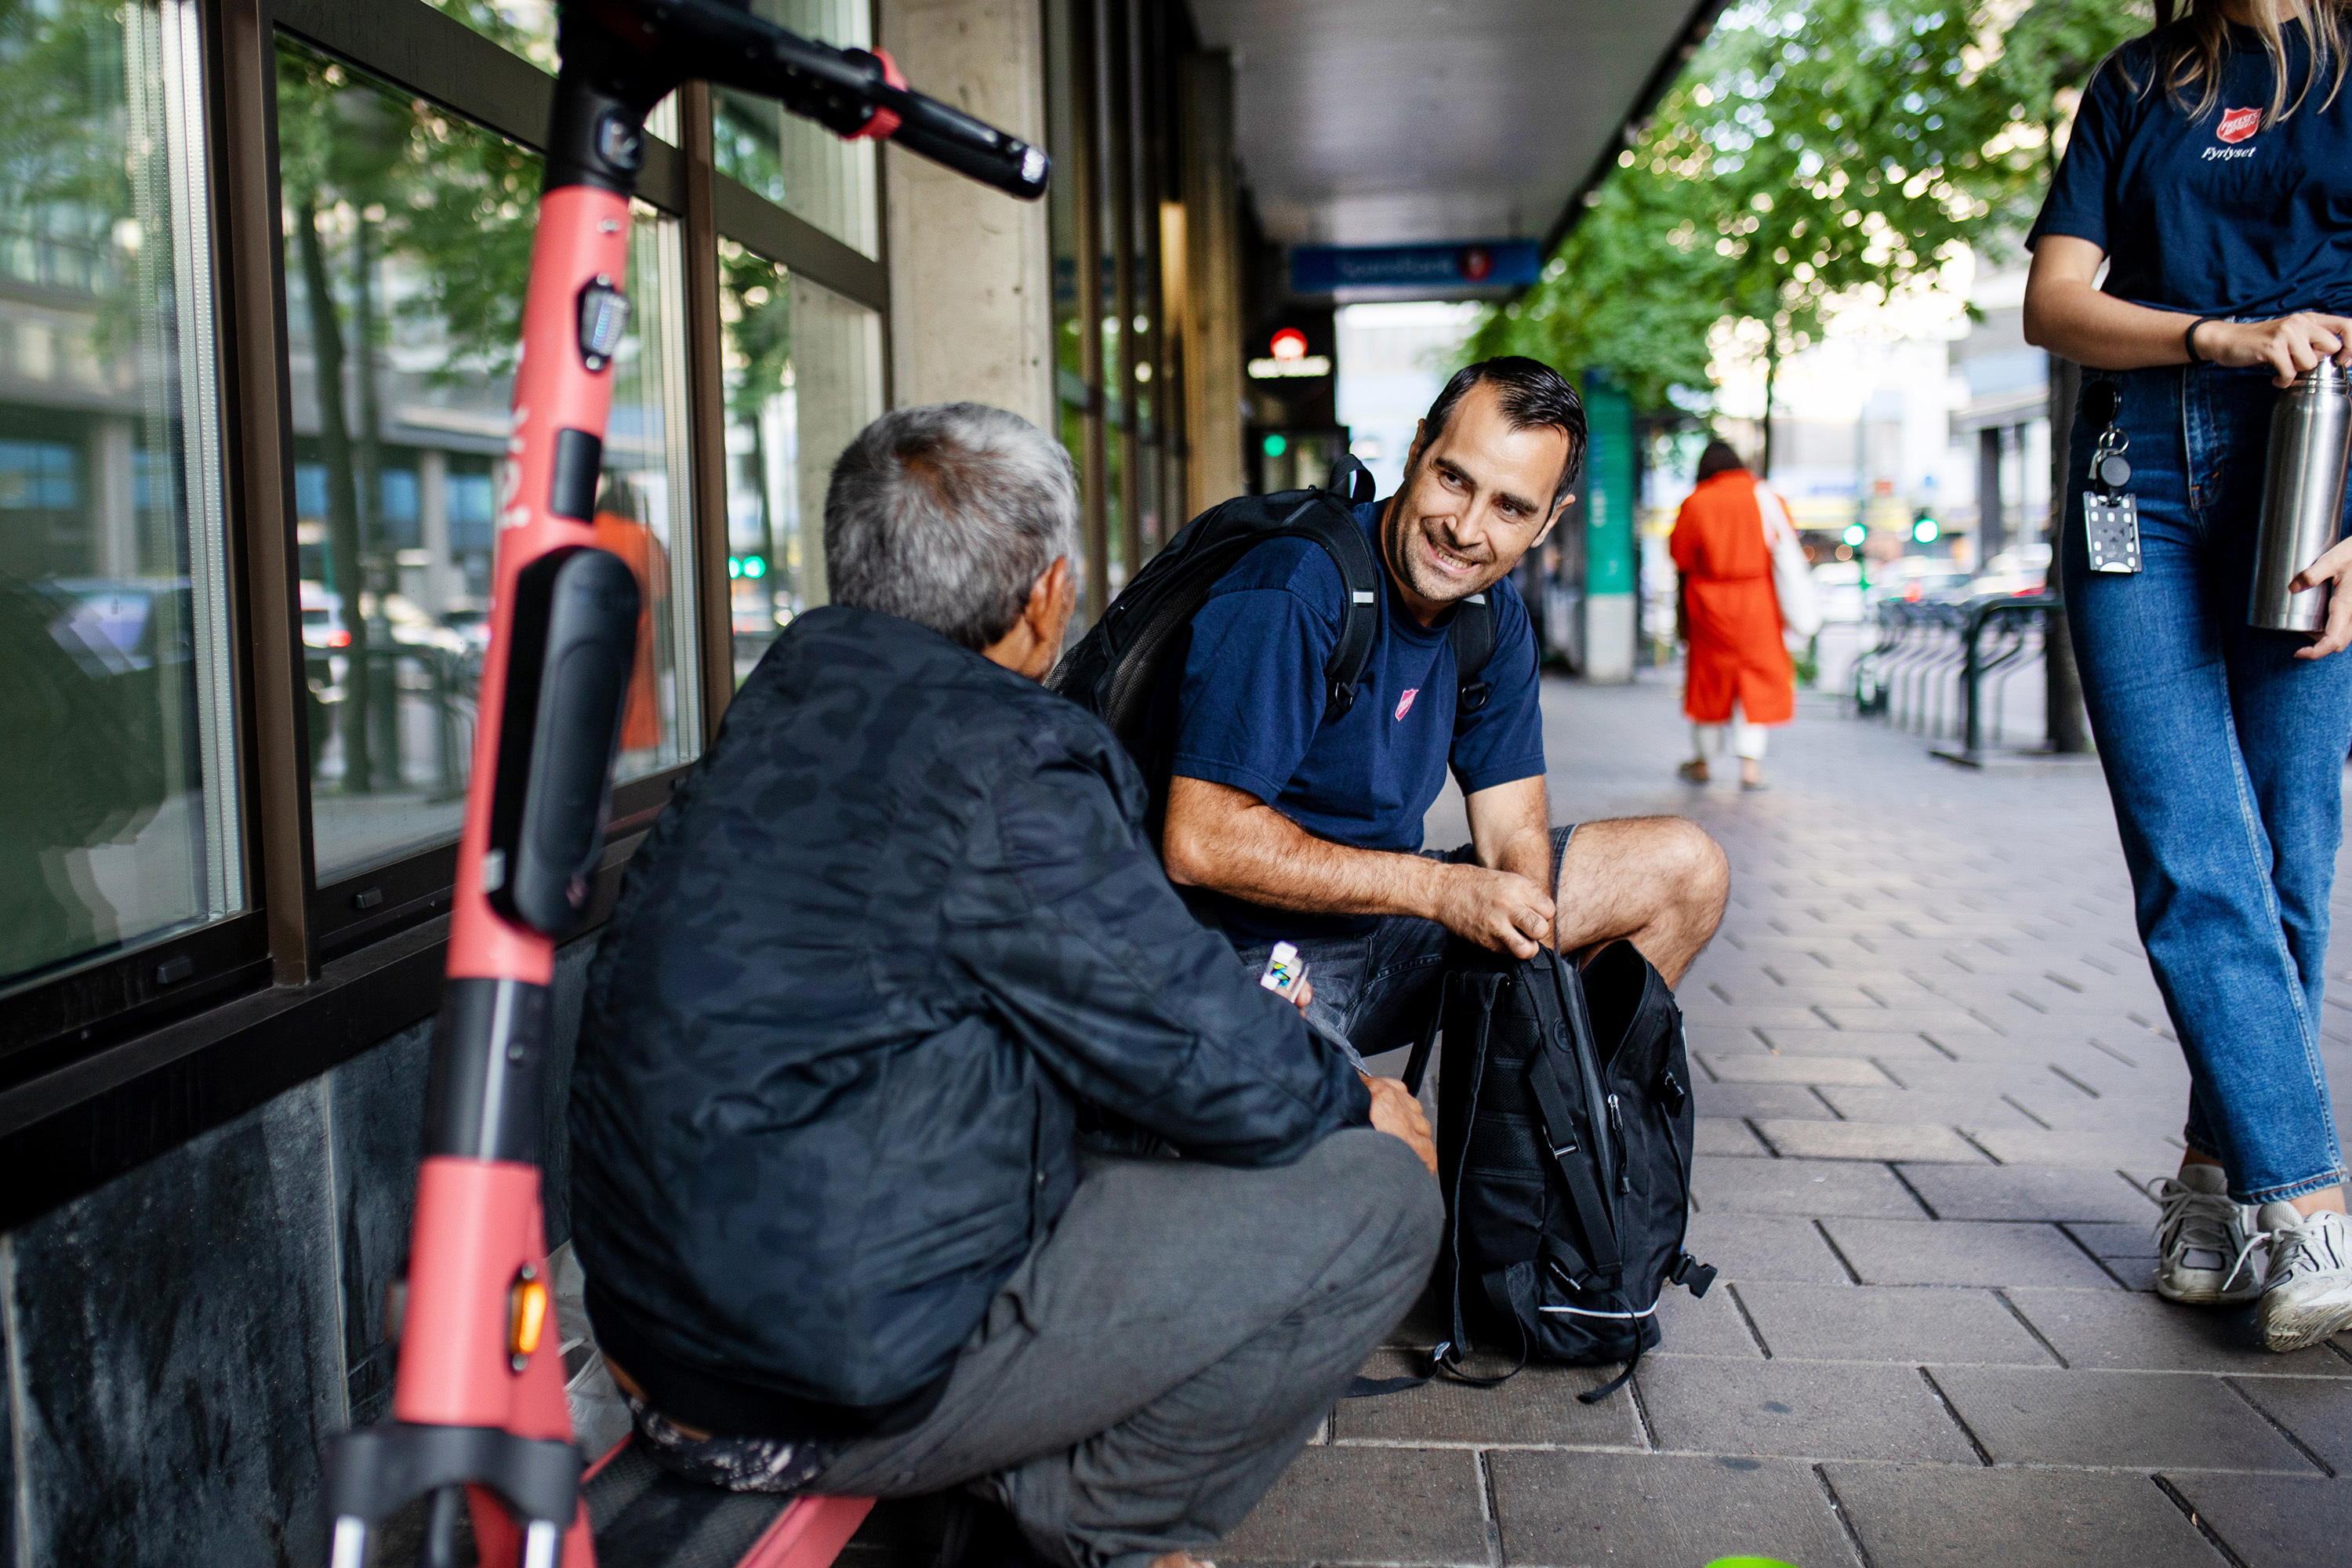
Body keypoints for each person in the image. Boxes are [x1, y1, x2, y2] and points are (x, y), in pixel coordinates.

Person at [569, 402, 1441, 1568]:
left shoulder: (787, 704)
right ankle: (1097, 1524)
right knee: (1381, 1196)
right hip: (802, 1378)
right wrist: (1359, 1103)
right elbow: (1205, 1056)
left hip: (654, 1319)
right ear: (1048, 596)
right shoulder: (1005, 765)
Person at [2022, 0, 2352, 1350]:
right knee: (2190, 846)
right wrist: (2211, 335)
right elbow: (2055, 301)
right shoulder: (2140, 81)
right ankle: (2311, 1206)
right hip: (2137, 476)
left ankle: (2217, 1184)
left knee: (2289, 854)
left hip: (2323, 464)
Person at [1156, 357, 1730, 1073]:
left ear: (1550, 520)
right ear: (1418, 448)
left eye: (1510, 507)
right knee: (1384, 1155)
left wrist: (1530, 951)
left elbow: (1514, 829)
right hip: (1254, 959)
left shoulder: (1491, 615)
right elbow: (1200, 840)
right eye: (1454, 478)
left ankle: (1550, 1132)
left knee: (1685, 869)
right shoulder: (1296, 590)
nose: (1464, 528)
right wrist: (1441, 890)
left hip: (1392, 934)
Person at [1669, 440, 1795, 792]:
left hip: (1709, 604)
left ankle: (1704, 762)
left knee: (1709, 681)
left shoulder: (1696, 502)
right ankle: (1751, 768)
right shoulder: (1766, 497)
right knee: (1755, 680)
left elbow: (1680, 555)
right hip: (1758, 601)